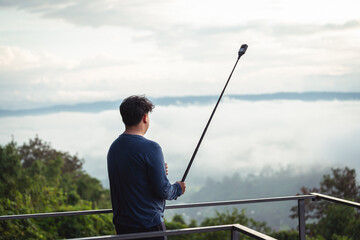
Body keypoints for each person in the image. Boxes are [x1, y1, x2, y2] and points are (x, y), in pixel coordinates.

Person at [107, 95, 186, 240]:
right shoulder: (151, 148)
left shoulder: (114, 148)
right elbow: (163, 190)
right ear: (145, 117)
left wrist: (158, 170)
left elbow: (131, 177)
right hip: (149, 227)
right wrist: (177, 189)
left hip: (122, 226)